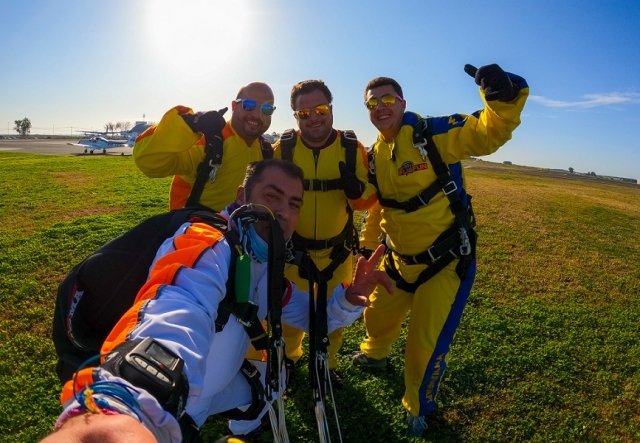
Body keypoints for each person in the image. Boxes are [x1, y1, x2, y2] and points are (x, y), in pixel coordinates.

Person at [40, 159, 393, 443]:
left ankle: (244, 428)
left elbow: (310, 316)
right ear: (242, 196)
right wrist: (128, 402)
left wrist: (349, 299)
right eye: (272, 197)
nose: (283, 212)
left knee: (278, 376)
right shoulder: (208, 243)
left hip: (209, 391)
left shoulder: (263, 262)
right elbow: (178, 306)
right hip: (172, 404)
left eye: (293, 204)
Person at [350, 64, 529, 437]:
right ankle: (374, 355)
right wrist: (367, 249)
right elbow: (380, 207)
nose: (380, 107)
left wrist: (502, 95)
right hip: (397, 260)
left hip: (444, 262)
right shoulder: (375, 155)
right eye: (372, 103)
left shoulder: (432, 134)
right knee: (376, 318)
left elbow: (488, 132)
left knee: (424, 346)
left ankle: (417, 405)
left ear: (402, 103)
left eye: (387, 99)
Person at [273, 80, 377, 384]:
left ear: (331, 108)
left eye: (320, 109)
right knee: (287, 314)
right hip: (292, 252)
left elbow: (367, 199)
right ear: (295, 116)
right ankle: (287, 361)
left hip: (337, 253)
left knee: (335, 315)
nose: (314, 118)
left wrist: (356, 192)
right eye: (304, 113)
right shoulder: (284, 149)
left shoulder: (352, 148)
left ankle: (326, 365)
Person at [133, 81, 276, 212]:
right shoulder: (208, 140)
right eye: (249, 105)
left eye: (266, 109)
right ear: (234, 106)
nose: (256, 115)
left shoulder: (266, 151)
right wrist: (190, 123)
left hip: (243, 230)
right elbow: (147, 162)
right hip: (197, 228)